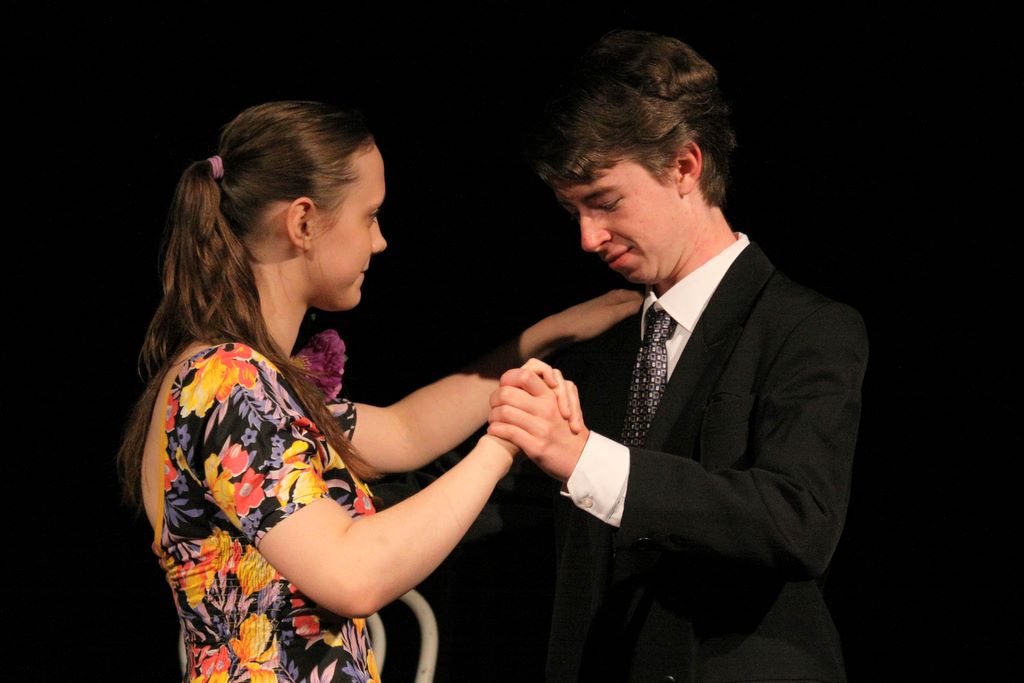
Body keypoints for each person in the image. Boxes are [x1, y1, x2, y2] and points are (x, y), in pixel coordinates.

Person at [117, 100, 640, 682]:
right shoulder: (225, 382)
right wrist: (504, 442)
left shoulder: (253, 379)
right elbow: (351, 574)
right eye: (370, 216)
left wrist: (548, 335)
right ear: (303, 222)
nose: (381, 240)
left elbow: (406, 431)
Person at [488, 31, 869, 681]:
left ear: (685, 166)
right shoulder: (599, 347)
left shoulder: (806, 327)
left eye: (605, 202)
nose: (587, 237)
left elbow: (799, 520)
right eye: (572, 211)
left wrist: (589, 461)